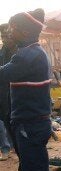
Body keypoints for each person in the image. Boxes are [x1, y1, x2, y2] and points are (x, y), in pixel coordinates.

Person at [0, 9, 61, 171]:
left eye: (14, 28)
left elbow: (3, 73)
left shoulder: (29, 55)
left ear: (26, 31)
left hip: (32, 123)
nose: (10, 32)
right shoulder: (26, 52)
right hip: (25, 121)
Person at [0, 24, 17, 160]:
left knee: (15, 124)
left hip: (16, 95)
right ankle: (11, 148)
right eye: (2, 36)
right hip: (3, 93)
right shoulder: (3, 51)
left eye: (7, 36)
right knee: (6, 121)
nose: (5, 39)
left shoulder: (20, 52)